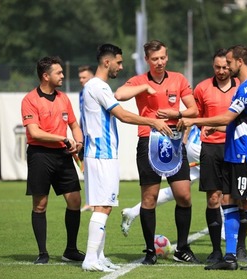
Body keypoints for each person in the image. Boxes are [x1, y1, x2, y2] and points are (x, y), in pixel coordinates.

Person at [81, 44, 173, 272]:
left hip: (99, 154)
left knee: (103, 207)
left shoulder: (93, 87)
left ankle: (98, 257)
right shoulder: (98, 87)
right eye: (119, 62)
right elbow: (121, 115)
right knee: (103, 207)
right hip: (102, 155)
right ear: (106, 62)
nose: (121, 67)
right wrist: (153, 121)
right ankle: (90, 259)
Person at [179, 45, 247, 270]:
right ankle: (229, 258)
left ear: (239, 61)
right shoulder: (243, 87)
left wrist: (196, 121)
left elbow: (229, 116)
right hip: (233, 153)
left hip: (245, 155)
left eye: (229, 63)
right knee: (227, 202)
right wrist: (217, 130)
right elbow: (237, 123)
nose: (226, 67)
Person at [114, 39, 200, 265]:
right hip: (148, 142)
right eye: (154, 59)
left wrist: (177, 113)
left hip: (173, 142)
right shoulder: (139, 80)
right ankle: (150, 251)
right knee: (149, 198)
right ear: (146, 60)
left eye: (162, 57)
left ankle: (182, 248)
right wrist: (144, 88)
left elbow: (193, 109)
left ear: (167, 56)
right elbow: (119, 95)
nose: (159, 62)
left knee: (184, 194)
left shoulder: (179, 79)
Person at [21, 56, 85, 264]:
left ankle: (71, 250)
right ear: (46, 76)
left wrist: (78, 141)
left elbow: (74, 125)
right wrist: (62, 138)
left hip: (63, 155)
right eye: (58, 72)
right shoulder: (30, 100)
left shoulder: (63, 98)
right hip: (40, 155)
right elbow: (35, 132)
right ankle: (43, 253)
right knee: (40, 205)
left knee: (75, 201)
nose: (63, 75)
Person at [192, 49, 242, 264]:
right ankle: (215, 250)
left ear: (231, 66)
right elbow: (196, 115)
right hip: (210, 149)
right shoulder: (202, 87)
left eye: (225, 67)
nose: (221, 71)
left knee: (235, 199)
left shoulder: (242, 86)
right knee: (213, 198)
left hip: (234, 147)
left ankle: (239, 247)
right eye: (217, 67)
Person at [120, 125, 201, 237]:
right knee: (220, 188)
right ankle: (225, 232)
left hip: (194, 143)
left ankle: (133, 212)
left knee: (180, 191)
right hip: (200, 146)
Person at [77, 65, 95, 213]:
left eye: (84, 77)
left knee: (92, 169)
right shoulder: (82, 93)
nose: (81, 80)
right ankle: (90, 201)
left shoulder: (95, 90)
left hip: (94, 137)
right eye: (80, 78)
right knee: (85, 169)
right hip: (83, 135)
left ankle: (95, 201)